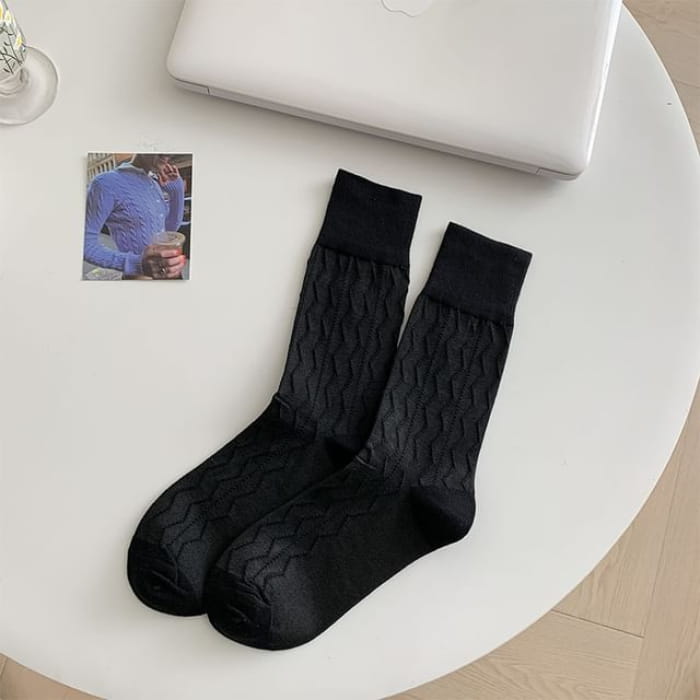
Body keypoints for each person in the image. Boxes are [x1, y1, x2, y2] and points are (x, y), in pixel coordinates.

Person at [83, 154, 187, 279]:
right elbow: (84, 244)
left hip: (170, 272)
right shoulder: (105, 183)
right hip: (141, 279)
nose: (168, 153)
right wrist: (136, 264)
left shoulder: (153, 182)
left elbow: (168, 230)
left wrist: (177, 191)